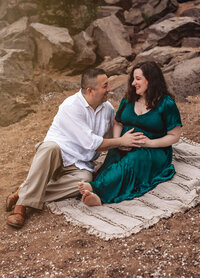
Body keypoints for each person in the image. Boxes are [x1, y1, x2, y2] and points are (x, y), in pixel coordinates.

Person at [6, 68, 146, 228]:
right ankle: (20, 207)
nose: (109, 89)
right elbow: (93, 143)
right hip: (56, 158)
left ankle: (22, 192)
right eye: (105, 86)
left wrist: (131, 135)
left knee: (86, 181)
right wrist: (121, 141)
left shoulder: (107, 109)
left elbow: (111, 136)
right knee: (49, 148)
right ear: (90, 91)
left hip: (80, 164)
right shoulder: (71, 106)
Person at [78, 61, 182, 206]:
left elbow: (174, 135)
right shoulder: (129, 99)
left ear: (151, 80)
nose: (133, 83)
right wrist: (118, 140)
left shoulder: (166, 104)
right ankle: (98, 189)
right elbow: (118, 122)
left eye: (138, 79)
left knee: (131, 162)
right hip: (125, 143)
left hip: (153, 150)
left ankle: (97, 191)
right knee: (113, 160)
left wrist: (149, 143)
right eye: (133, 79)